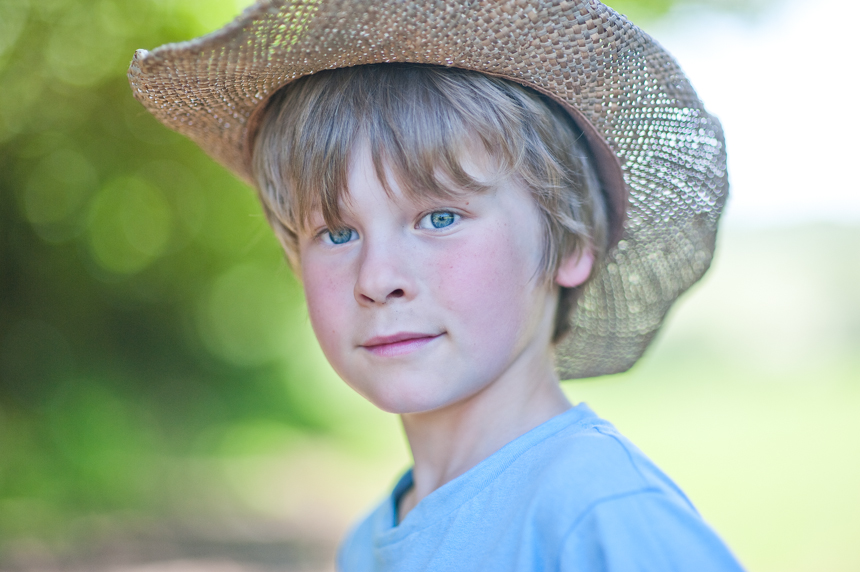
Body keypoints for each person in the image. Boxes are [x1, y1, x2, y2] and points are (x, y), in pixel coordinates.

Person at [129, 1, 742, 570]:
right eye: (337, 232)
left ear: (572, 241)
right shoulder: (366, 544)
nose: (377, 279)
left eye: (439, 218)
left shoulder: (599, 514)